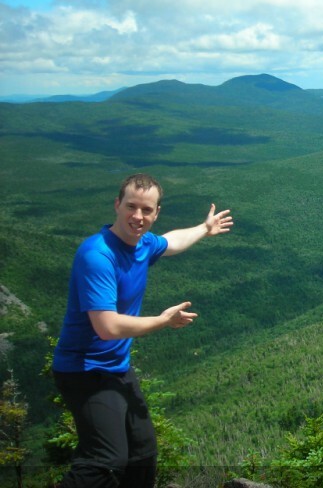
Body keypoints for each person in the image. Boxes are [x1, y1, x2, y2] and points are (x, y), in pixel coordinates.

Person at [51, 173, 233, 488]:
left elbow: (171, 242)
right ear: (117, 205)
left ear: (156, 213)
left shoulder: (143, 244)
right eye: (131, 206)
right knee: (106, 461)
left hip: (116, 368)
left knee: (142, 455)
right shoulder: (98, 255)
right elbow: (107, 327)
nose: (138, 216)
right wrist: (163, 320)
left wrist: (204, 229)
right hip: (84, 371)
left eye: (146, 210)